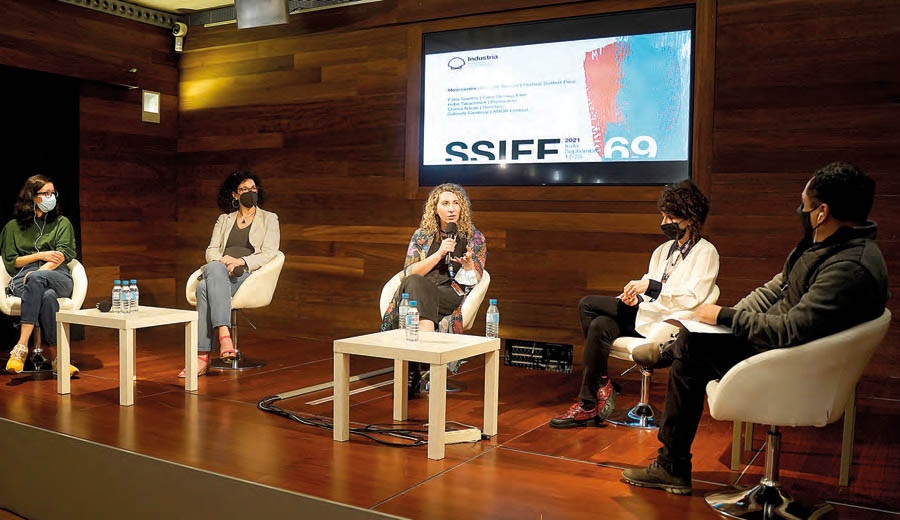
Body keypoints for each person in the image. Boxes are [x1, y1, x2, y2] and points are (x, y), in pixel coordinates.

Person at [622, 162, 889, 495]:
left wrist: (724, 317)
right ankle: (672, 354)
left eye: (803, 206)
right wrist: (724, 316)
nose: (800, 212)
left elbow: (790, 329)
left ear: (821, 213)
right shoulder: (823, 247)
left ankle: (671, 462)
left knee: (691, 350)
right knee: (694, 341)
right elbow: (773, 289)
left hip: (795, 362)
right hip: (782, 347)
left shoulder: (848, 267)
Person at [550, 180, 719, 428]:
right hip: (644, 315)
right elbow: (648, 288)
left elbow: (693, 296)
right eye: (663, 216)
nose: (664, 223)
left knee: (587, 304)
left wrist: (651, 288)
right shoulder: (662, 251)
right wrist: (634, 297)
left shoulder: (706, 252)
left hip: (666, 324)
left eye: (670, 217)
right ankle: (588, 404)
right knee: (599, 325)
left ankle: (603, 384)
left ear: (690, 218)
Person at [380, 183, 487, 397]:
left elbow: (476, 279)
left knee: (418, 296)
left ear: (462, 208)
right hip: (419, 291)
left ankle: (414, 368)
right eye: (445, 203)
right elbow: (409, 271)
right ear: (435, 209)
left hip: (450, 294)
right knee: (416, 283)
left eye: (456, 203)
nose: (451, 209)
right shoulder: (421, 236)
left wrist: (468, 266)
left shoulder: (475, 237)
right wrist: (439, 254)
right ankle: (424, 366)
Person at [179, 171, 281, 378]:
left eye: (253, 189)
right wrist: (224, 261)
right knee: (213, 271)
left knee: (203, 287)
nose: (250, 192)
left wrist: (240, 261)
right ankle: (224, 336)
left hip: (246, 273)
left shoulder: (269, 218)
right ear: (235, 194)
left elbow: (270, 252)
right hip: (221, 268)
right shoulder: (224, 220)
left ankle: (202, 357)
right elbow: (211, 250)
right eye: (244, 189)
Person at [2, 175, 79, 375]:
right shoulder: (12, 227)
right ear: (32, 196)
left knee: (37, 279)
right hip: (23, 278)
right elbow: (11, 261)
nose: (51, 197)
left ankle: (21, 346)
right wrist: (39, 255)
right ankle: (57, 358)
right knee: (47, 296)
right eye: (46, 193)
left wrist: (38, 272)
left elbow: (63, 254)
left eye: (53, 193)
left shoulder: (62, 223)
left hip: (57, 275)